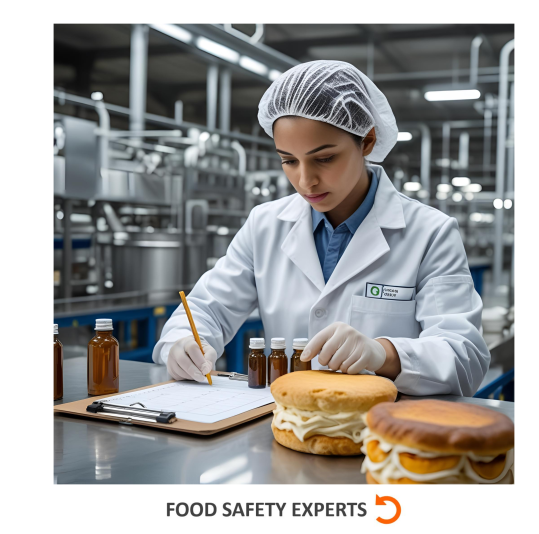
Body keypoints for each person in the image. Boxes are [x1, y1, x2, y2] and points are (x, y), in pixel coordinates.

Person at [153, 60, 488, 396]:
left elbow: (465, 358)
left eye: (324, 158)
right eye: (288, 160)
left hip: (386, 433)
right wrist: (181, 343)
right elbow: (206, 309)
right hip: (289, 425)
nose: (305, 180)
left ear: (367, 141)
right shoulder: (265, 225)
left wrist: (384, 353)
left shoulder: (430, 233)